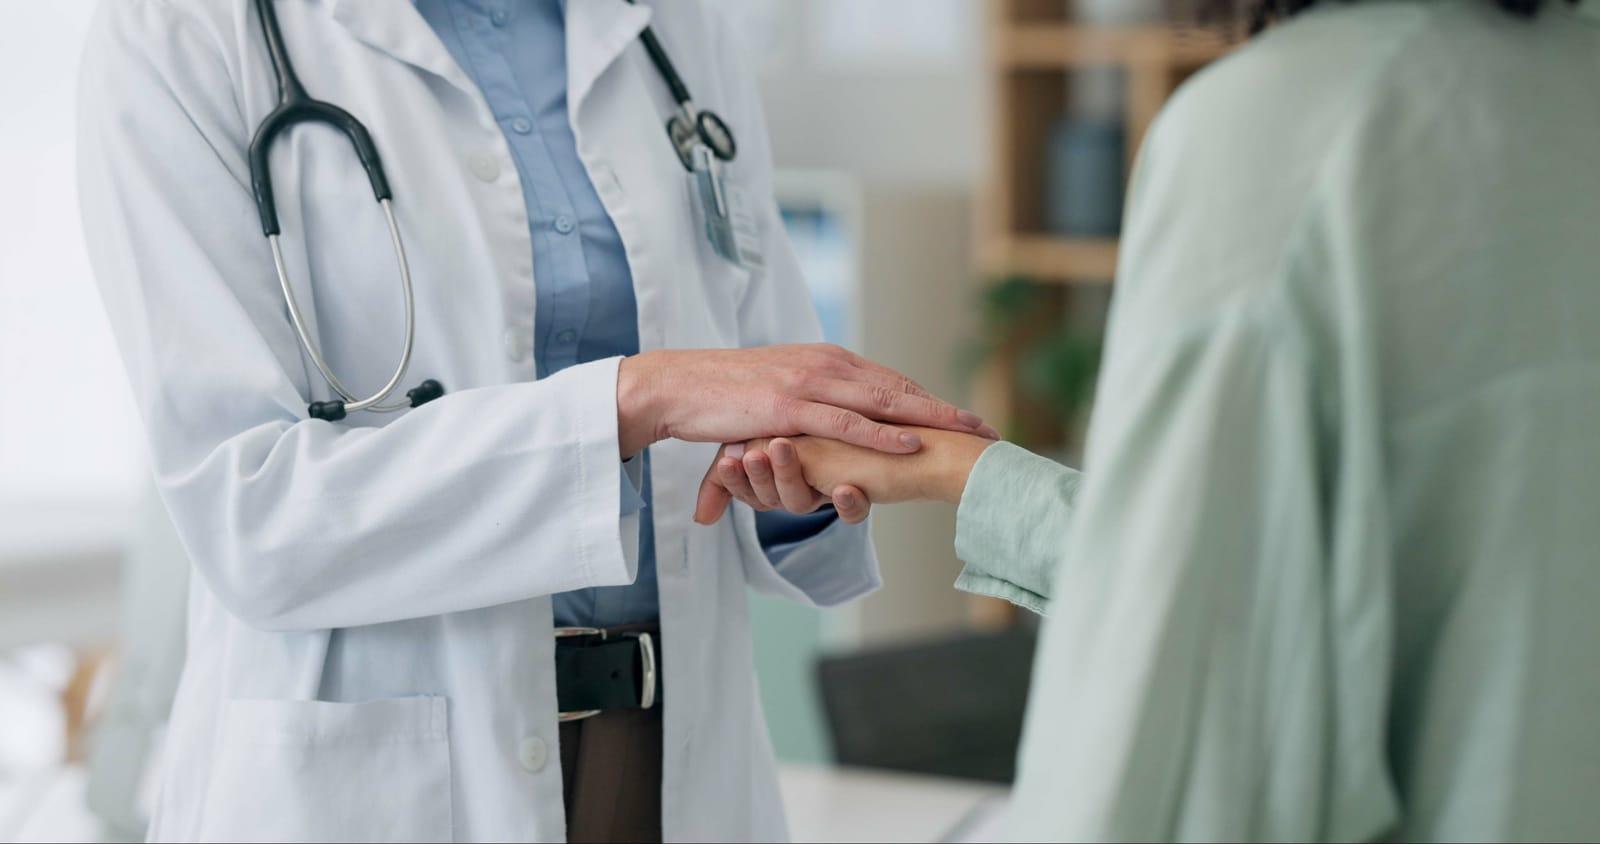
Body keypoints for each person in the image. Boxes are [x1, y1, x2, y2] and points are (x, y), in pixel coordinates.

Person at [75, 1, 993, 841]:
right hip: (385, 783)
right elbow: (254, 516)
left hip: (671, 760)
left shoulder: (671, 27)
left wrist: (805, 476)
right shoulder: (184, 34)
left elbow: (759, 379)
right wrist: (638, 399)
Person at [703, 0, 1600, 839]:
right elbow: (1249, 554)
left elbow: (1182, 680)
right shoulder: (1563, 94)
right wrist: (955, 469)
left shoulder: (1283, 129)